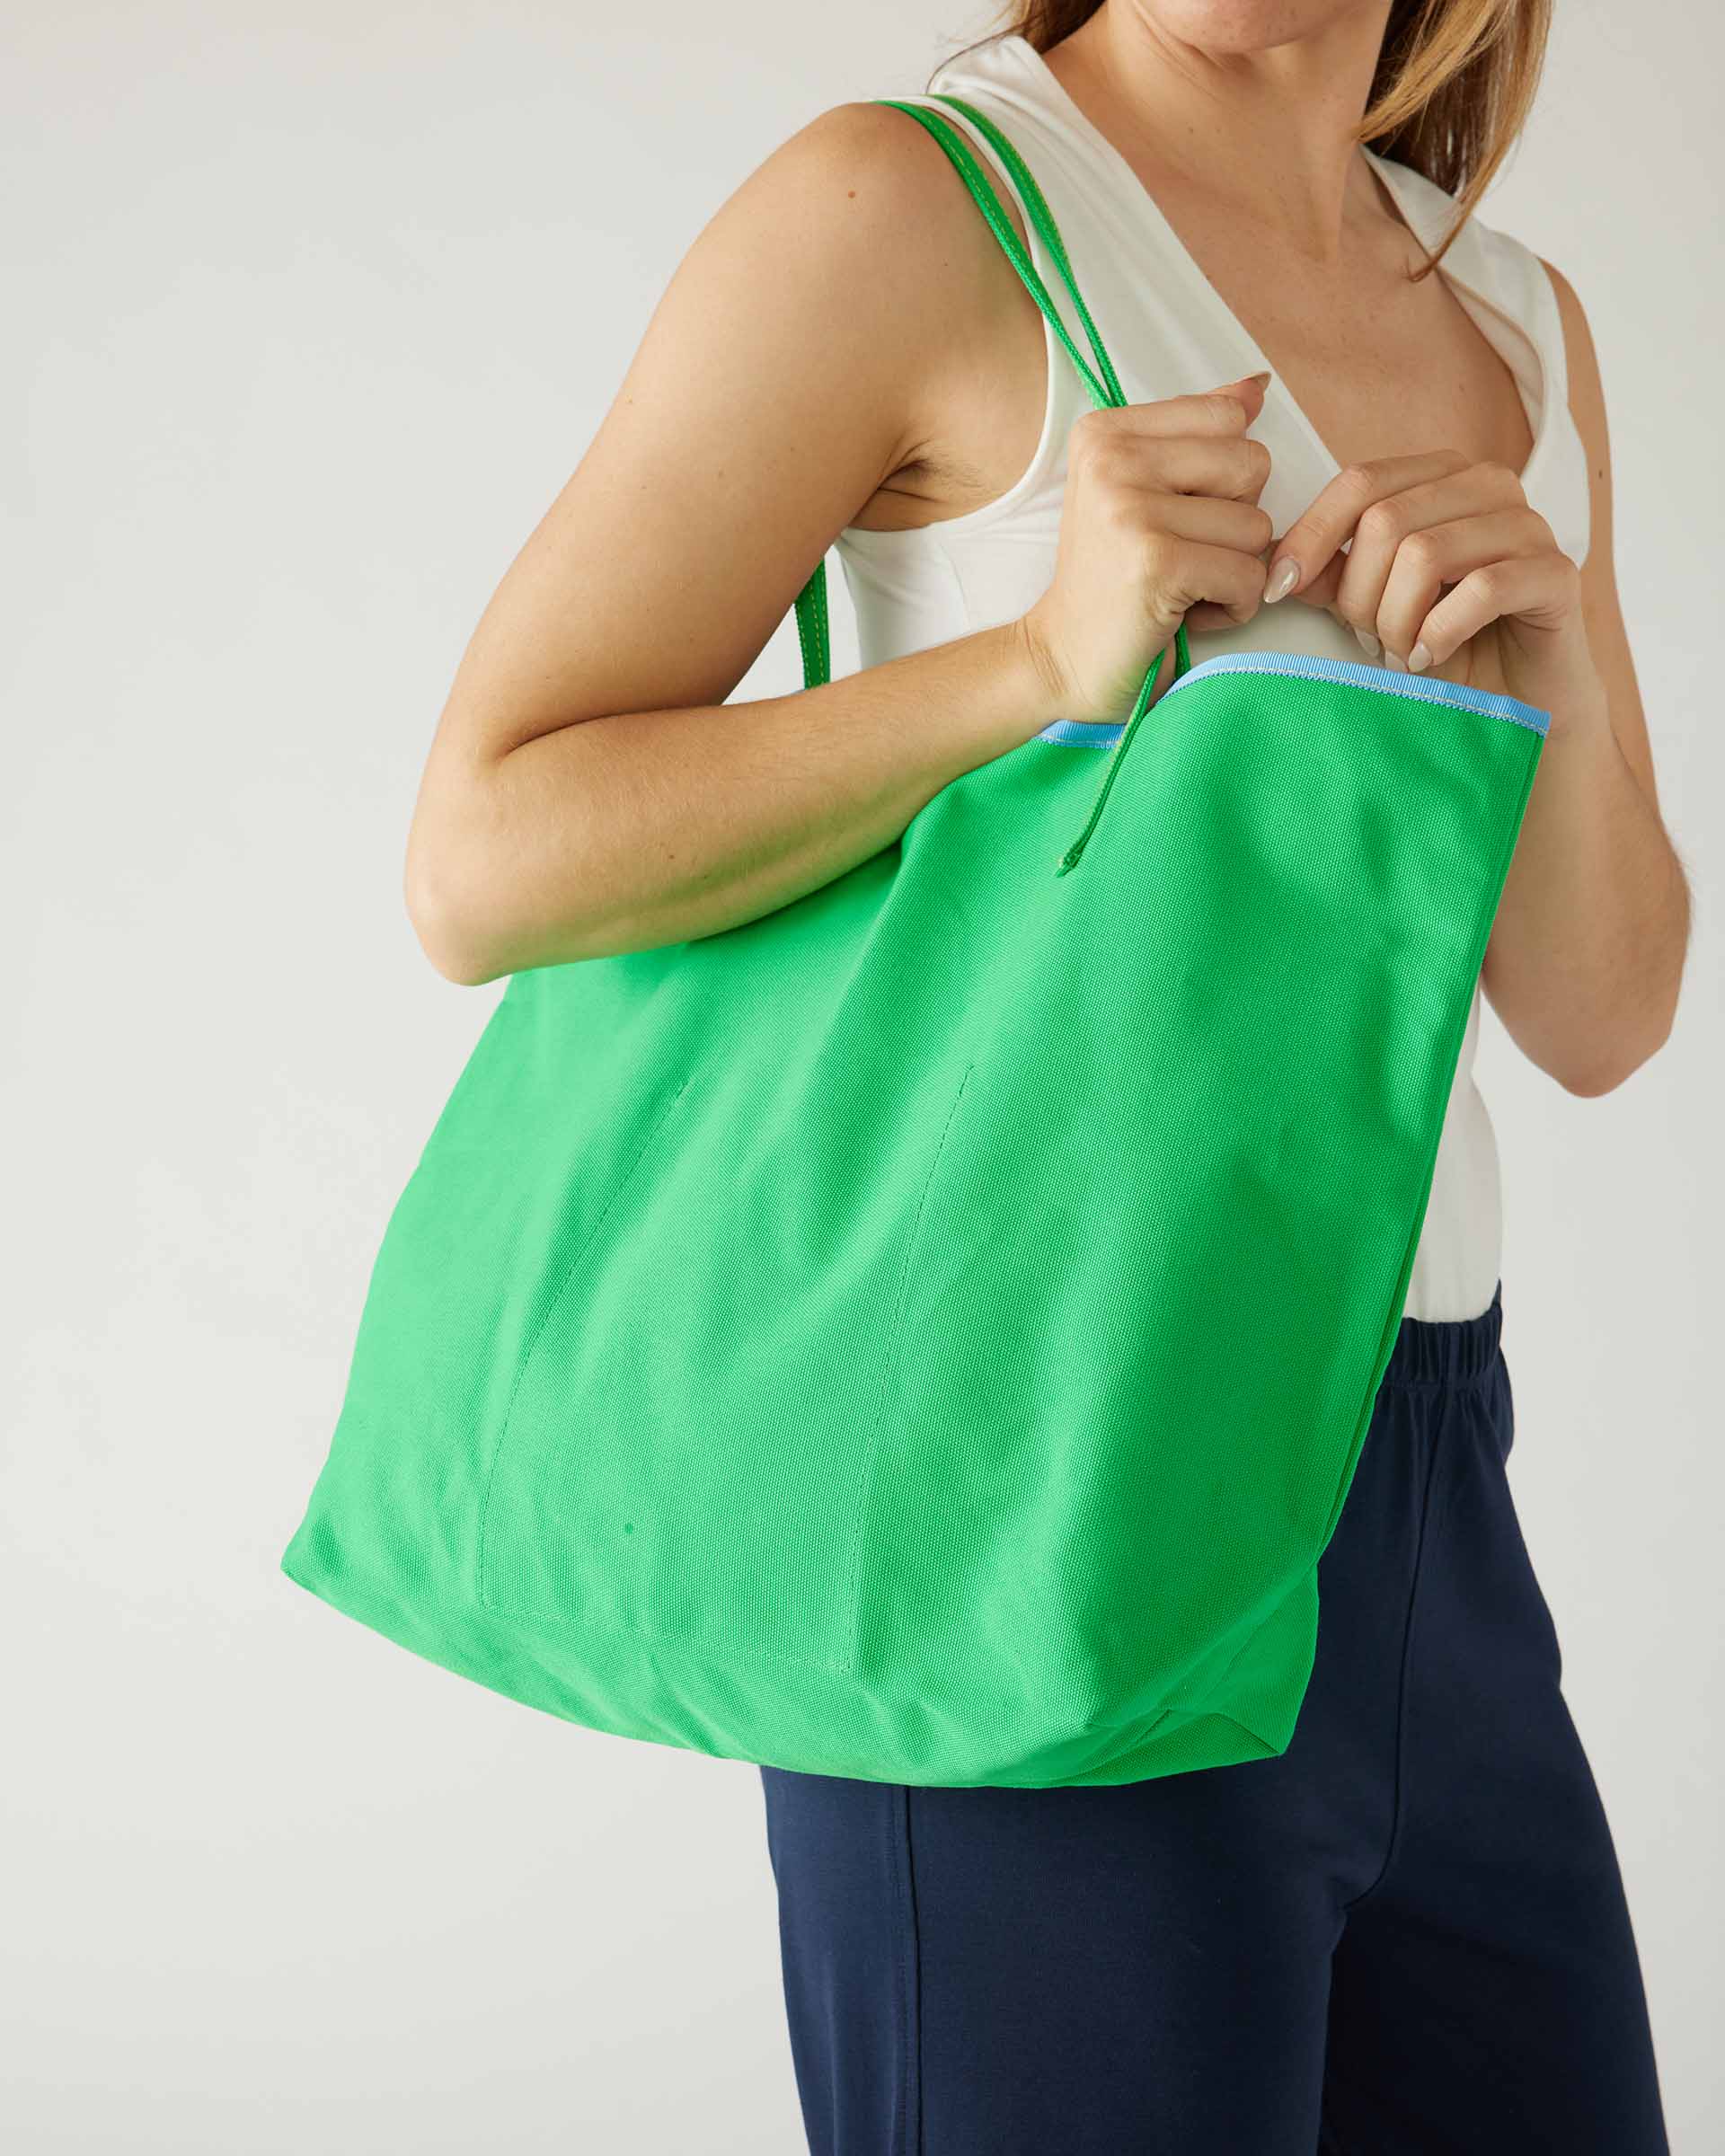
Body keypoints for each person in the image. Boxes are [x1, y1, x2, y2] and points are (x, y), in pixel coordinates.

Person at [401, 4, 1689, 2148]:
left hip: (1430, 1504)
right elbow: (480, 856)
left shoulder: (1513, 324)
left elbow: (1604, 1011)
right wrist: (1035, 667)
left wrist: (1537, 657)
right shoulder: (907, 208)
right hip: (1022, 1470)